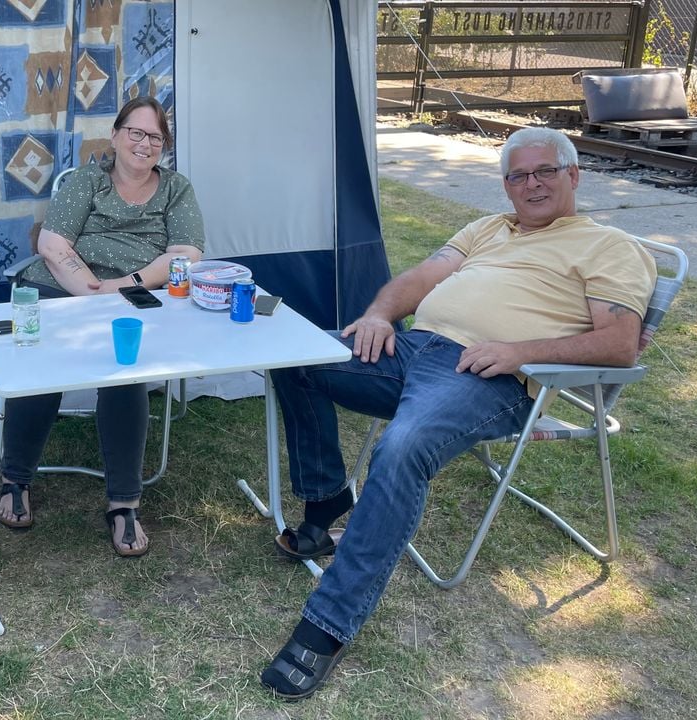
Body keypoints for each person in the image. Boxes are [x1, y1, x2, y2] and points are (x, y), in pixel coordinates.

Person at [259, 127, 657, 700]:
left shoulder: (610, 247)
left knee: (401, 447)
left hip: (489, 375)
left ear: (574, 175)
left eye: (544, 171)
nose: (531, 184)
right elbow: (421, 280)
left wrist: (520, 353)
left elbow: (618, 343)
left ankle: (327, 625)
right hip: (415, 349)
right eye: (517, 176)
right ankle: (327, 501)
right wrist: (377, 315)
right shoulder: (488, 228)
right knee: (296, 354)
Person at [0, 97, 205, 557]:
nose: (144, 143)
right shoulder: (89, 181)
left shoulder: (176, 189)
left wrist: (120, 287)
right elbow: (53, 244)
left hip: (134, 292)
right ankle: (15, 479)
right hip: (65, 287)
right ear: (115, 135)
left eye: (155, 137)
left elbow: (186, 255)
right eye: (136, 132)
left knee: (124, 372)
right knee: (42, 365)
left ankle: (124, 502)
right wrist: (91, 296)